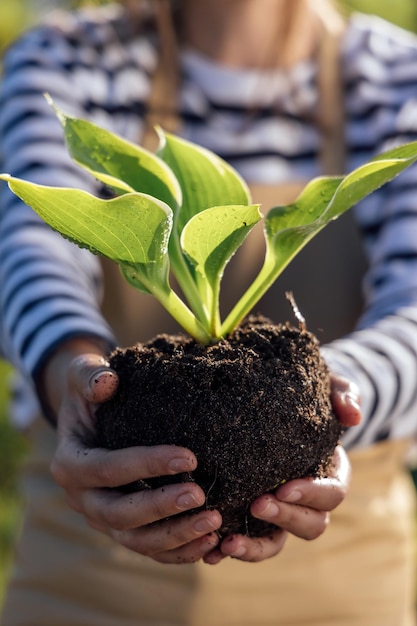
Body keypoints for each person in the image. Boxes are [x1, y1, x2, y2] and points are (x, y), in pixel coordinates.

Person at [0, 0, 416, 624]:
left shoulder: (393, 78)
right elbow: (32, 259)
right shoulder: (67, 60)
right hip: (87, 590)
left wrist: (325, 406)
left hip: (341, 591)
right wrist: (71, 375)